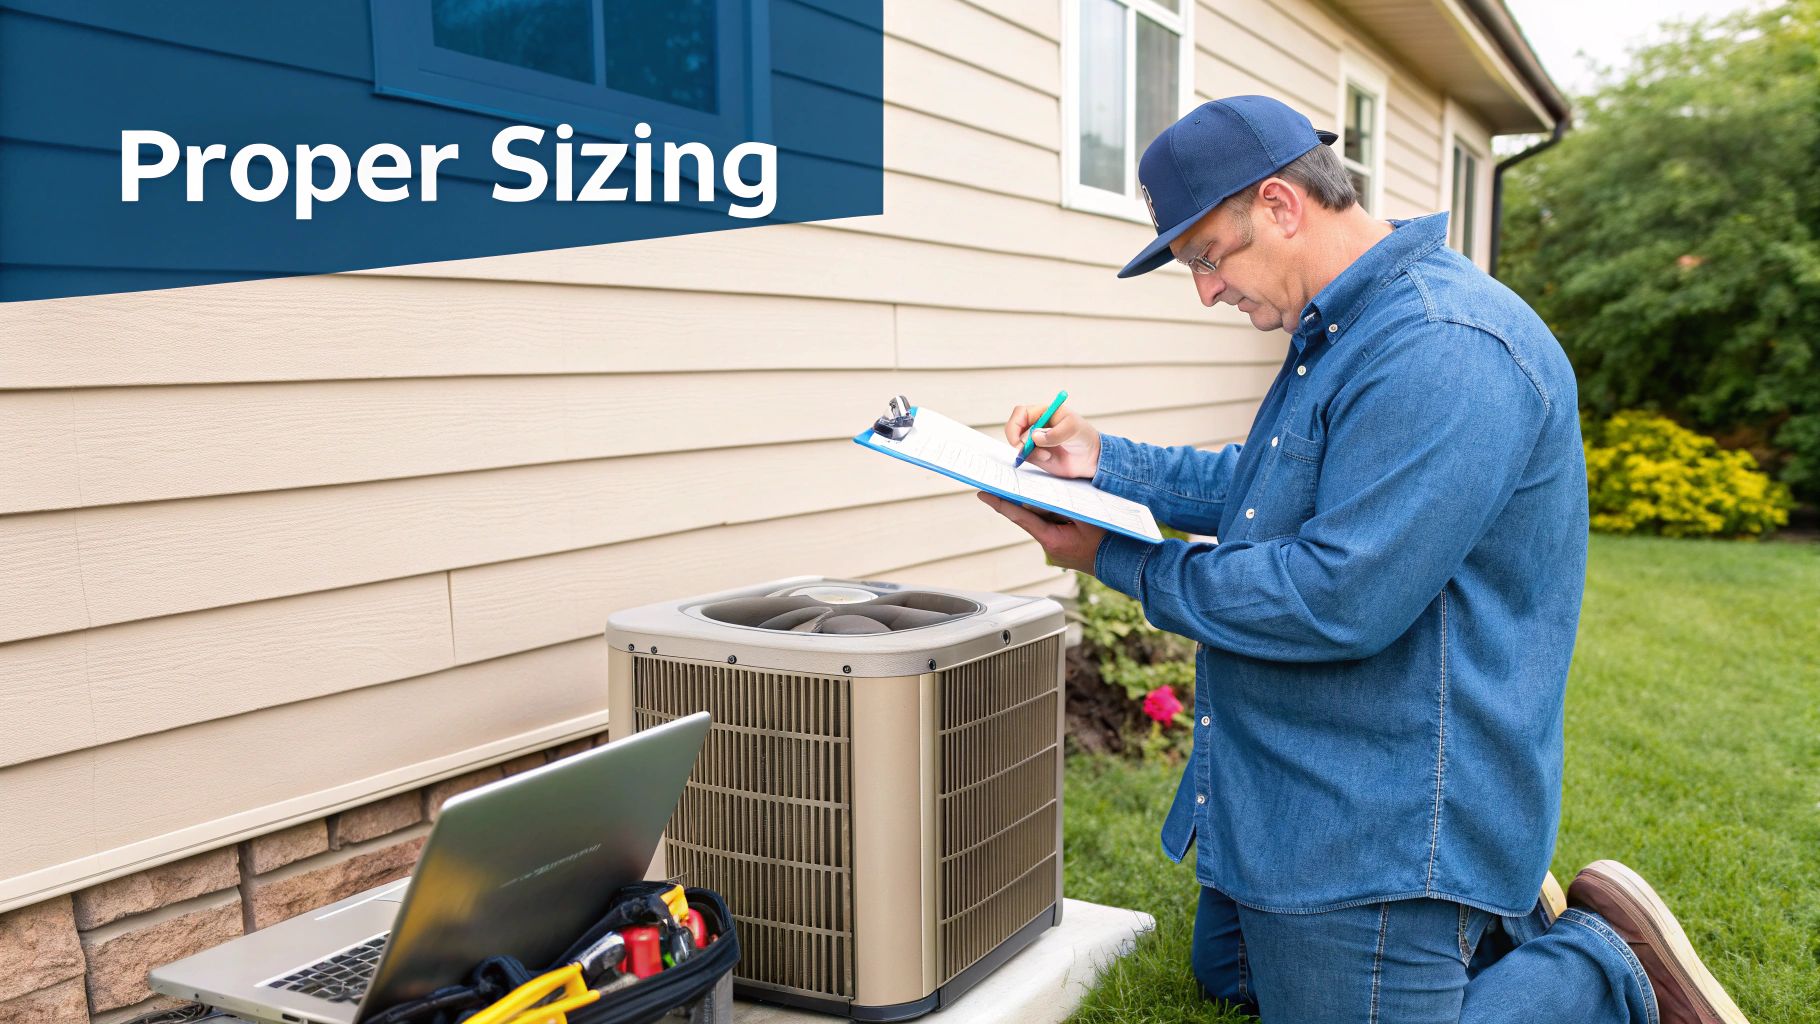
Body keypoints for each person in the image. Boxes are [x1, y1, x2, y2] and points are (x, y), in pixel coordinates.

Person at [980, 95, 1747, 1024]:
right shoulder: (1343, 329)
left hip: (1391, 806)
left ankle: (1598, 962)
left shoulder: (1445, 348)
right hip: (1302, 774)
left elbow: (1333, 599)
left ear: (1279, 204)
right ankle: (1492, 932)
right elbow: (1269, 489)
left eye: (1205, 259)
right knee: (1229, 975)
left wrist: (1119, 559)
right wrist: (1105, 461)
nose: (1207, 291)